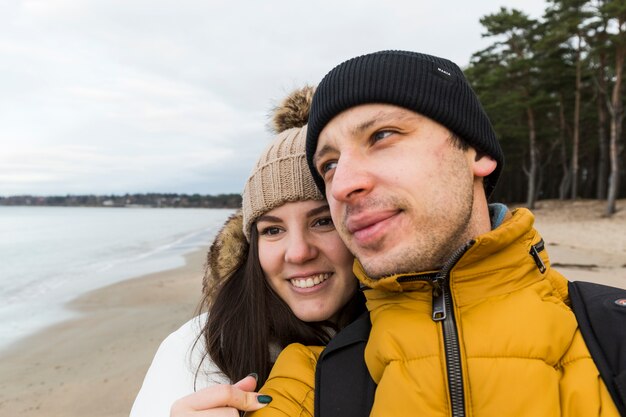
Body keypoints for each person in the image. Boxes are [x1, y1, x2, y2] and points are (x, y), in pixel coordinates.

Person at [249, 51, 621, 416]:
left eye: (382, 136)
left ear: (475, 151)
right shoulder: (312, 380)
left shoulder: (613, 335)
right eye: (329, 165)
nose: (343, 184)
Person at [129, 86, 364, 417]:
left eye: (323, 221)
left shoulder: (421, 331)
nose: (297, 253)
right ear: (251, 246)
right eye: (272, 230)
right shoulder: (200, 350)